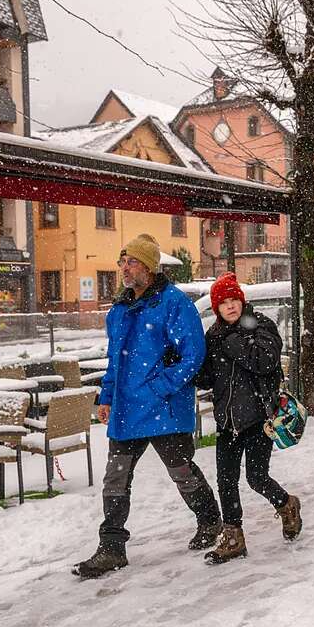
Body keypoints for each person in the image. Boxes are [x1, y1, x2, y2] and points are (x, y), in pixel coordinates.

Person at [74, 234, 222, 578]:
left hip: (165, 408)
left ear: (150, 268)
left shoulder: (174, 304)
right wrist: (106, 396)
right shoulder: (120, 310)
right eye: (122, 262)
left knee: (182, 472)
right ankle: (111, 547)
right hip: (127, 411)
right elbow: (115, 360)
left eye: (133, 262)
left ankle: (210, 520)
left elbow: (193, 355)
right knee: (115, 479)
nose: (125, 268)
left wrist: (160, 386)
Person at [197, 272, 302, 564]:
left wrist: (235, 343)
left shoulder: (260, 325)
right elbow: (207, 379)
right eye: (223, 302)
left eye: (234, 300)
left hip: (258, 419)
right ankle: (233, 538)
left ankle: (287, 505)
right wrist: (190, 366)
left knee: (256, 478)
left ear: (242, 302)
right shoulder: (213, 336)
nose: (230, 306)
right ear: (216, 308)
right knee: (226, 481)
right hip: (227, 422)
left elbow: (265, 362)